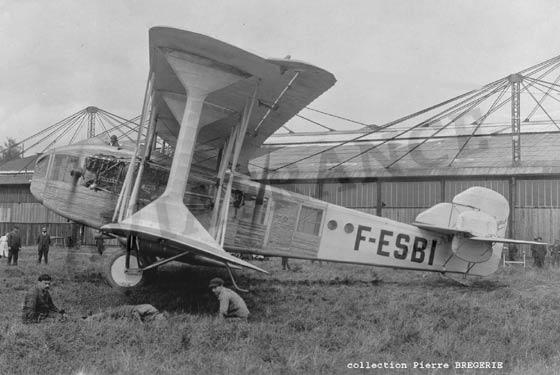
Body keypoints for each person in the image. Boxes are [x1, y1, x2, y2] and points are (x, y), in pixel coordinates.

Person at [84, 304, 165, 323]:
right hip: (125, 310)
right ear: (161, 314)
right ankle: (86, 319)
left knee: (109, 320)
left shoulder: (153, 316)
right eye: (161, 318)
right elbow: (135, 312)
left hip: (127, 317)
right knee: (107, 315)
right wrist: (140, 324)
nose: (158, 320)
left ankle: (90, 317)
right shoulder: (151, 308)